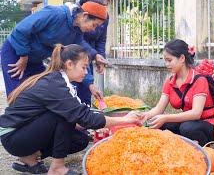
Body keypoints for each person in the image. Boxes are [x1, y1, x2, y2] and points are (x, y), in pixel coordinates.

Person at [0, 44, 144, 175]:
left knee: (80, 140)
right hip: (13, 137)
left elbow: (83, 116)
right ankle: (56, 168)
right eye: (84, 67)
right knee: (65, 116)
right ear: (69, 64)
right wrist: (125, 119)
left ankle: (28, 158)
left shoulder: (59, 80)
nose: (86, 72)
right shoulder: (54, 84)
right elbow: (82, 116)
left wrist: (103, 123)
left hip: (23, 132)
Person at [1, 1, 109, 96]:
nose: (93, 30)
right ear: (85, 16)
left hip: (36, 59)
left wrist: (90, 84)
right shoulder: (55, 13)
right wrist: (23, 56)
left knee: (42, 92)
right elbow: (21, 30)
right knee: (17, 95)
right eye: (94, 25)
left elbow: (81, 58)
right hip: (16, 52)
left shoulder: (77, 31)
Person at [141, 39, 214, 146]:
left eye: (169, 60)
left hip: (208, 124)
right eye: (165, 60)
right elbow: (159, 109)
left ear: (182, 58)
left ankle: (205, 150)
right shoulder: (170, 81)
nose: (166, 64)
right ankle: (180, 147)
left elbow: (196, 113)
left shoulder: (199, 80)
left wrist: (166, 117)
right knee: (158, 124)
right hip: (188, 122)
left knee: (186, 128)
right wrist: (144, 116)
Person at [71, 0, 113, 105]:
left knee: (86, 93)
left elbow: (101, 40)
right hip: (75, 56)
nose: (105, 3)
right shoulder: (80, 14)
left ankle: (85, 118)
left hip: (89, 56)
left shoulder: (104, 16)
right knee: (74, 93)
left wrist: (100, 58)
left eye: (109, 0)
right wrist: (95, 55)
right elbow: (79, 42)